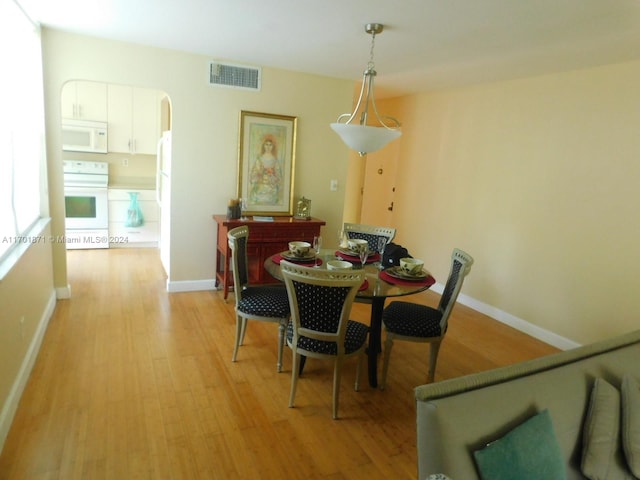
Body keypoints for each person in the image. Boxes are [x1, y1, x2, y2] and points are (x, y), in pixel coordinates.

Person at [249, 135, 283, 205]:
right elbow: (253, 174)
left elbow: (279, 176)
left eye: (270, 145)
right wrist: (260, 173)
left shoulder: (275, 160)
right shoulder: (259, 159)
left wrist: (272, 174)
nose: (268, 147)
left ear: (273, 146)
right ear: (263, 146)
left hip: (271, 187)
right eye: (266, 144)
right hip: (260, 186)